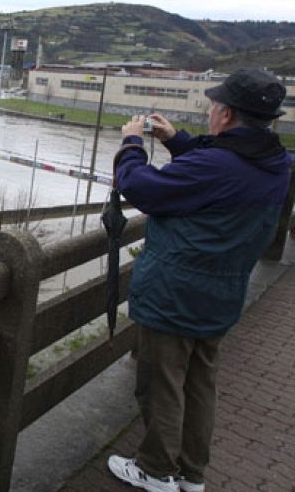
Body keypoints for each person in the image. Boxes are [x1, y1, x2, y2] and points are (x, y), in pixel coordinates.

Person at [106, 68, 293, 492]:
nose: (210, 112)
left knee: (161, 385)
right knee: (199, 384)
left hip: (176, 294)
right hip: (221, 295)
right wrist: (176, 141)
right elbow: (221, 170)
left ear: (226, 115)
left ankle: (155, 470)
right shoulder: (276, 163)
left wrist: (133, 143)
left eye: (213, 106)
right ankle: (191, 473)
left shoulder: (218, 167)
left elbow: (140, 187)